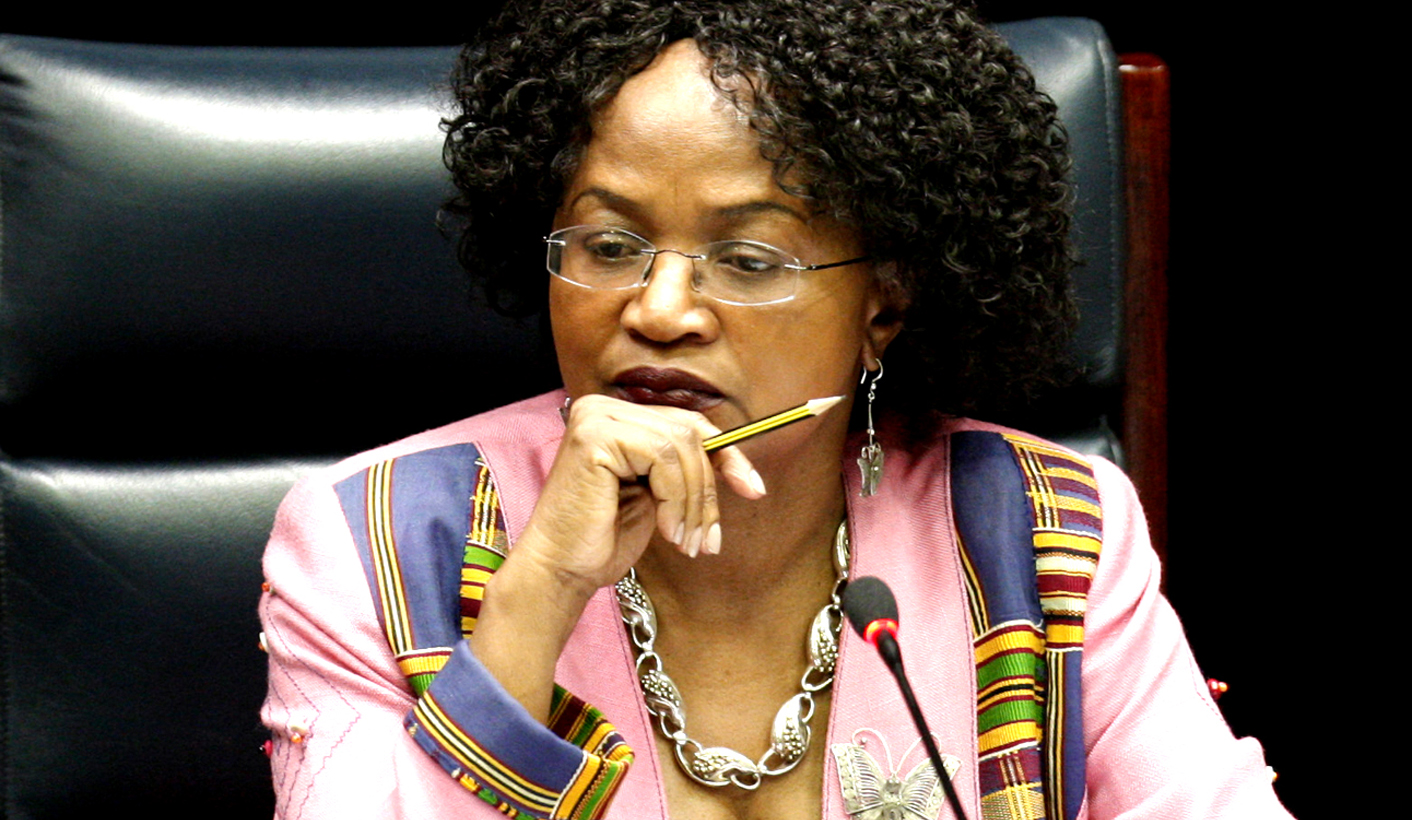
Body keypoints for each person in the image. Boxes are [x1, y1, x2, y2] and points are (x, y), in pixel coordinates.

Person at [259, 1, 1293, 818]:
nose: (658, 311)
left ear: (880, 304)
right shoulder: (370, 548)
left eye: (748, 260)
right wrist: (538, 593)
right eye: (609, 246)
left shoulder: (1045, 533)